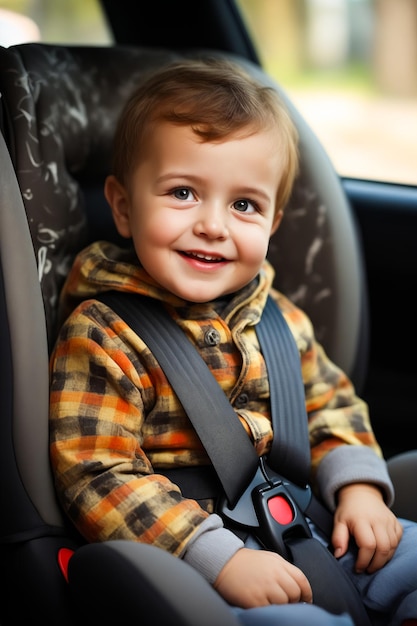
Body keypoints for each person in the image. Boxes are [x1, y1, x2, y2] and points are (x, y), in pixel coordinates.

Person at [49, 57, 417, 625]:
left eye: (244, 205)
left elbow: (330, 407)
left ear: (271, 224)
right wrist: (219, 559)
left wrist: (360, 488)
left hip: (311, 526)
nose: (214, 225)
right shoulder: (102, 333)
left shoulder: (279, 319)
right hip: (195, 557)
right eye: (182, 193)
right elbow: (97, 475)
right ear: (123, 207)